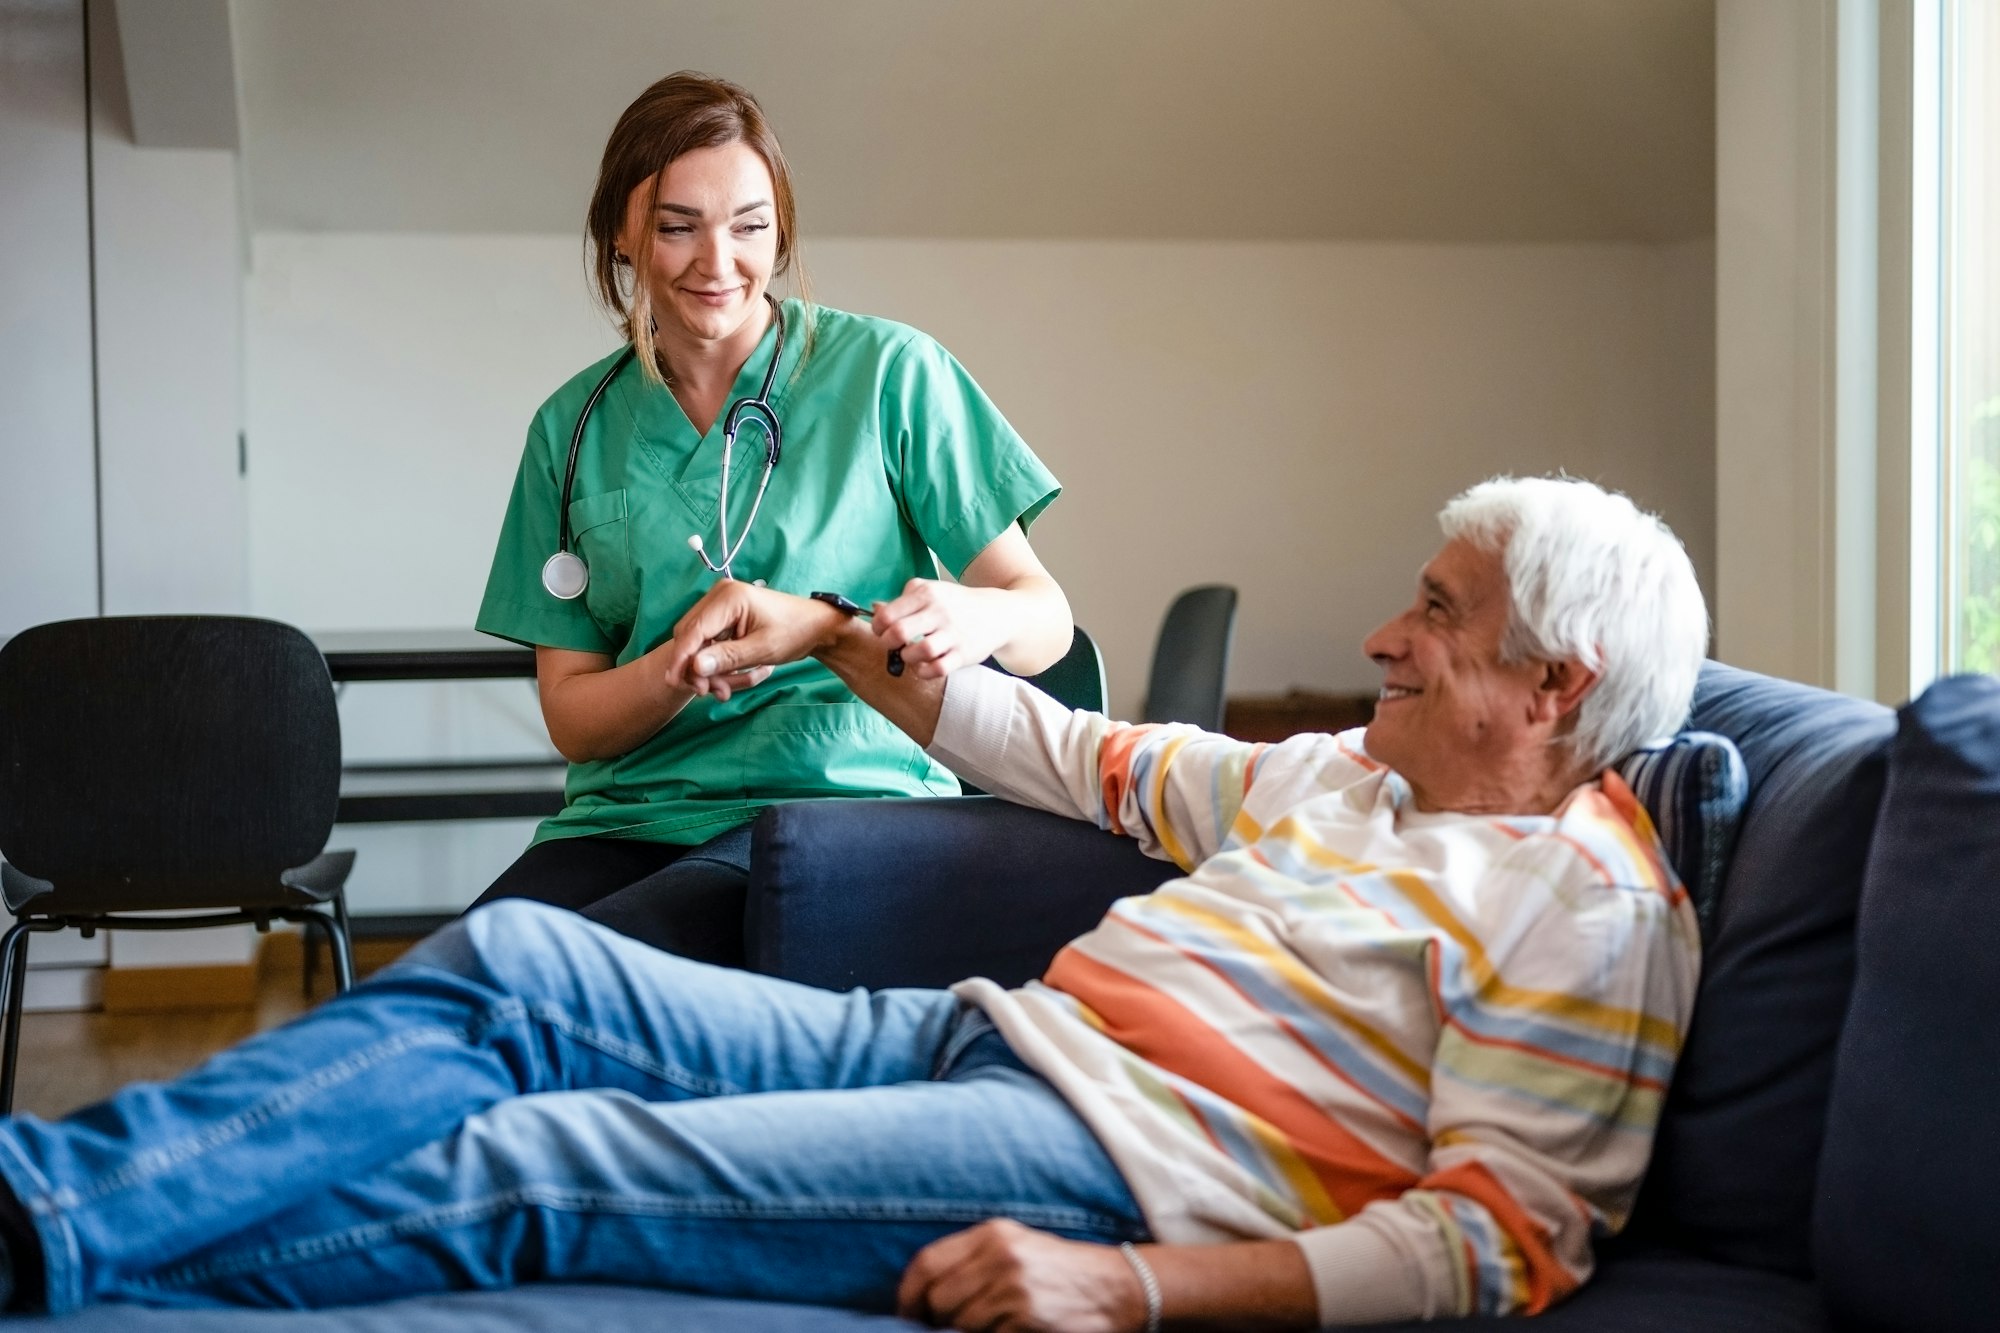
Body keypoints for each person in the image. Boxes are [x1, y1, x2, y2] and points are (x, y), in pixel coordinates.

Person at [0, 477, 1706, 1328]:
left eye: (1433, 613)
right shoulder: (1352, 773)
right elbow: (1081, 758)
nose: (1383, 640)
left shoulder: (1591, 905)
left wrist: (1137, 1290)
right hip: (994, 1038)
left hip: (1120, 1167)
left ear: (1555, 681)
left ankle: (54, 1261)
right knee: (526, 965)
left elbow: (1495, 1241)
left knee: (541, 1165)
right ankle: (40, 1198)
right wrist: (833, 630)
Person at [468, 71, 1073, 964]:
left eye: (750, 226)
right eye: (678, 227)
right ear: (622, 235)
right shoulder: (572, 428)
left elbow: (1044, 620)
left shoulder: (890, 374)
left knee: (593, 971)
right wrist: (674, 669)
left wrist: (972, 615)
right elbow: (573, 719)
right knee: (479, 966)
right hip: (634, 819)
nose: (719, 263)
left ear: (779, 230)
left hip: (852, 804)